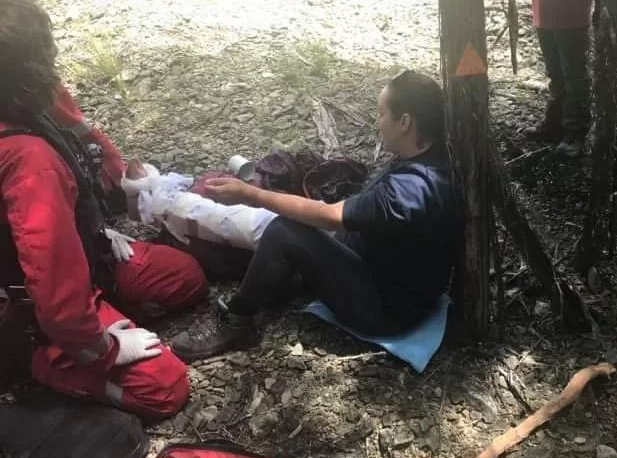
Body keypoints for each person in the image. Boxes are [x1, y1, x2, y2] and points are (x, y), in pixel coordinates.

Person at [0, 0, 209, 419]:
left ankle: (95, 311)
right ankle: (33, 357)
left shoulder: (24, 110)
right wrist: (101, 348)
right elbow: (52, 277)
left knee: (184, 278)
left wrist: (94, 226)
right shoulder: (28, 160)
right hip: (27, 300)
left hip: (73, 257)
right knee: (163, 387)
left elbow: (81, 150)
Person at [171, 70, 463, 362]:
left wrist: (251, 195)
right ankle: (283, 277)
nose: (377, 122)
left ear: (405, 122)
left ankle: (236, 321)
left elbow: (331, 216)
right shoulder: (435, 157)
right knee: (300, 221)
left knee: (285, 231)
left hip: (385, 311)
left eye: (381, 114)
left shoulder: (409, 191)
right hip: (392, 275)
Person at [524, 0, 594, 159]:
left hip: (572, 14)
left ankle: (575, 132)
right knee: (555, 74)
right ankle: (555, 124)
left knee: (575, 76)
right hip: (544, 12)